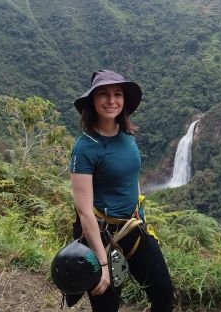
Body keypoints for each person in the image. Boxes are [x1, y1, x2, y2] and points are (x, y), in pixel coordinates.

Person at [68, 69, 174, 312]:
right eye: (103, 94)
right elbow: (84, 211)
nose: (111, 100)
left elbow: (131, 176)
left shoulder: (127, 134)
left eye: (117, 94)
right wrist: (102, 263)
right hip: (102, 234)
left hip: (134, 227)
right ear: (92, 101)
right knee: (107, 305)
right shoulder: (85, 148)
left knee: (164, 292)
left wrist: (141, 216)